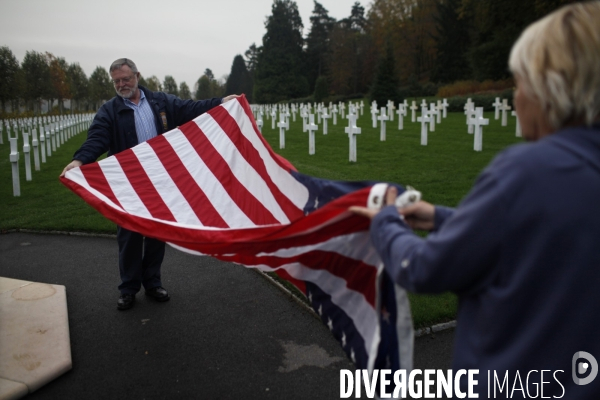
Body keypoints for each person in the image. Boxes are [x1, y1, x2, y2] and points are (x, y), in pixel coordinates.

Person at [350, 2, 600, 398]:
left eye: (520, 84)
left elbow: (426, 269)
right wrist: (443, 218)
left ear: (550, 88)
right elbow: (540, 233)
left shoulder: (527, 172)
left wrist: (385, 223)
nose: (516, 99)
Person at [61, 58, 239, 311]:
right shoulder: (110, 110)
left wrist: (221, 102)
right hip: (128, 183)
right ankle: (129, 288)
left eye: (126, 79)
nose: (122, 84)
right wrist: (79, 160)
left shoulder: (161, 102)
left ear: (137, 76)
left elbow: (190, 108)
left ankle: (153, 282)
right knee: (130, 236)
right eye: (117, 81)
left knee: (157, 233)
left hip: (160, 179)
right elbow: (98, 138)